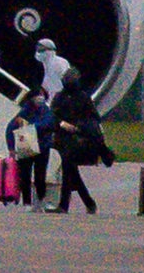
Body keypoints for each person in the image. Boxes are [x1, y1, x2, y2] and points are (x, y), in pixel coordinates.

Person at [46, 67, 100, 214]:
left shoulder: (83, 98)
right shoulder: (59, 97)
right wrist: (61, 124)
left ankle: (65, 205)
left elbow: (93, 117)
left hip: (76, 139)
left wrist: (78, 126)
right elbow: (52, 116)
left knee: (69, 169)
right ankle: (88, 202)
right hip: (62, 138)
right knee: (71, 171)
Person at [5, 89, 55, 210]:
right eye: (38, 96)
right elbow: (10, 128)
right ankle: (27, 203)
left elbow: (48, 123)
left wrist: (30, 126)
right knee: (25, 175)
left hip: (42, 147)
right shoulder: (24, 112)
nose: (40, 99)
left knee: (40, 176)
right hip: (26, 147)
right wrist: (11, 148)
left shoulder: (46, 111)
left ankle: (41, 200)